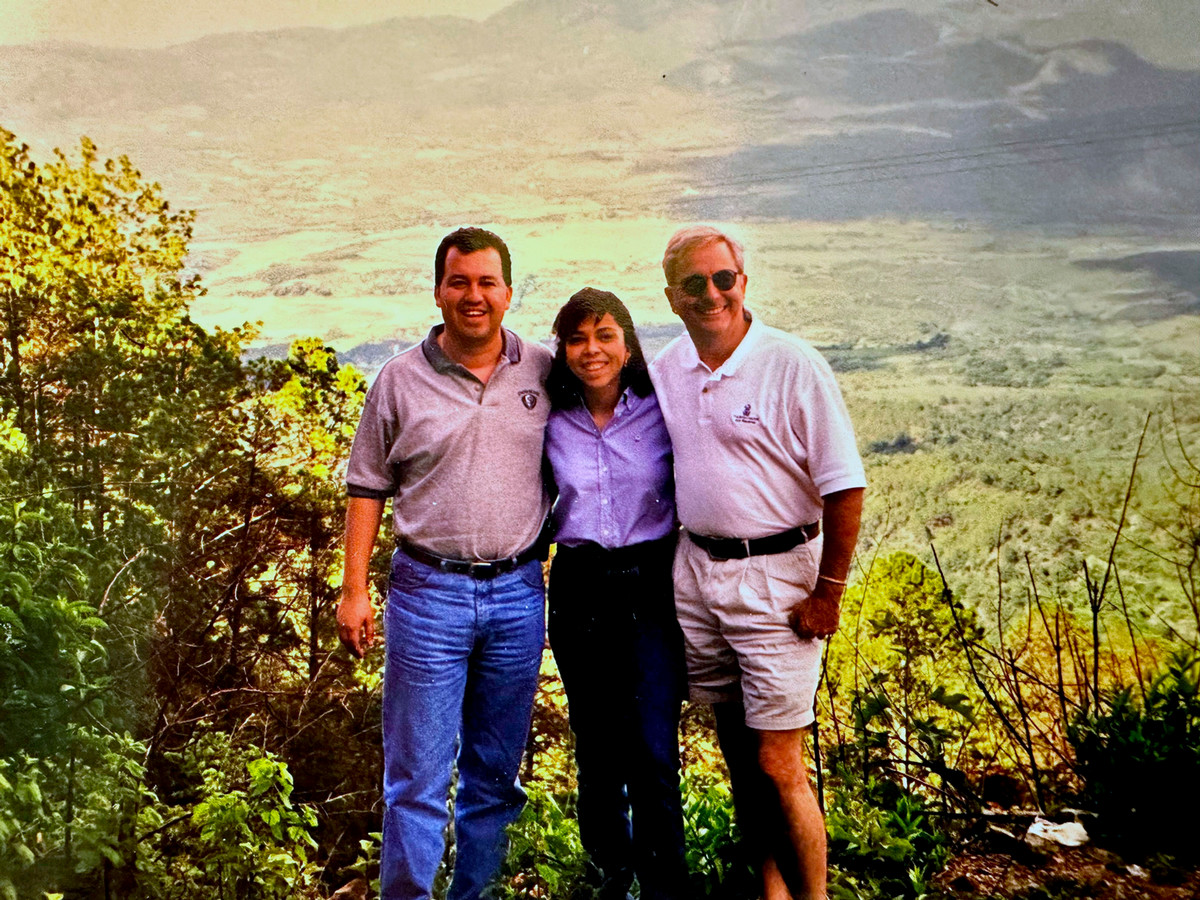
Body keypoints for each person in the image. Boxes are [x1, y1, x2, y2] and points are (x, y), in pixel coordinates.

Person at [649, 226, 866, 900]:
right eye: (695, 284)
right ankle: (770, 892)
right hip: (699, 572)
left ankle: (814, 896)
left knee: (779, 759)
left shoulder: (791, 364)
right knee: (743, 756)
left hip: (779, 578)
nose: (712, 294)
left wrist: (828, 592)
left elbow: (845, 485)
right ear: (672, 296)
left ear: (743, 282)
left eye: (724, 279)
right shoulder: (666, 370)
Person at [336, 227, 552, 900]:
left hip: (519, 592)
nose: (474, 296)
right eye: (459, 282)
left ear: (509, 293)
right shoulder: (399, 380)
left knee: (495, 778)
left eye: (487, 282)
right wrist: (353, 590)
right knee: (417, 779)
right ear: (438, 291)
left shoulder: (543, 371)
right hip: (428, 593)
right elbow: (367, 486)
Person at [543, 288, 688, 900]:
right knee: (597, 748)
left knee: (653, 747)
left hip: (650, 585)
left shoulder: (663, 410)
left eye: (605, 336)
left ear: (628, 345)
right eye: (578, 338)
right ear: (564, 349)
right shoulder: (548, 415)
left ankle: (664, 885)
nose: (591, 350)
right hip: (579, 588)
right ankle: (610, 875)